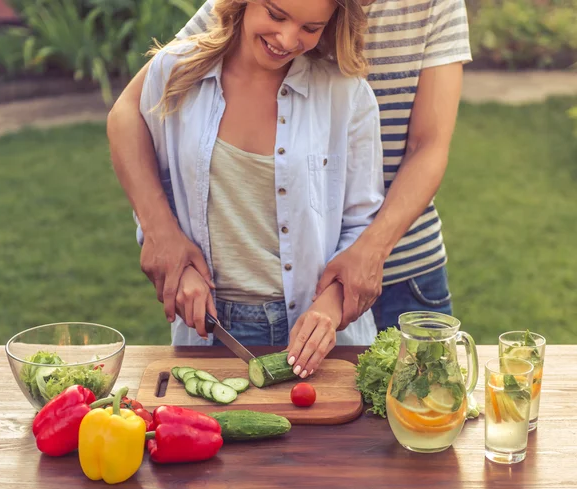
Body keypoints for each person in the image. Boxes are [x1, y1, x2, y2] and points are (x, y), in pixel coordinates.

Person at [107, 0, 471, 366]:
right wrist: (159, 234)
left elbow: (428, 147)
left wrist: (367, 255)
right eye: (276, 15)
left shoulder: (352, 89)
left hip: (400, 266)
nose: (286, 36)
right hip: (238, 310)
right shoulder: (189, 63)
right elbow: (139, 112)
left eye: (311, 28)